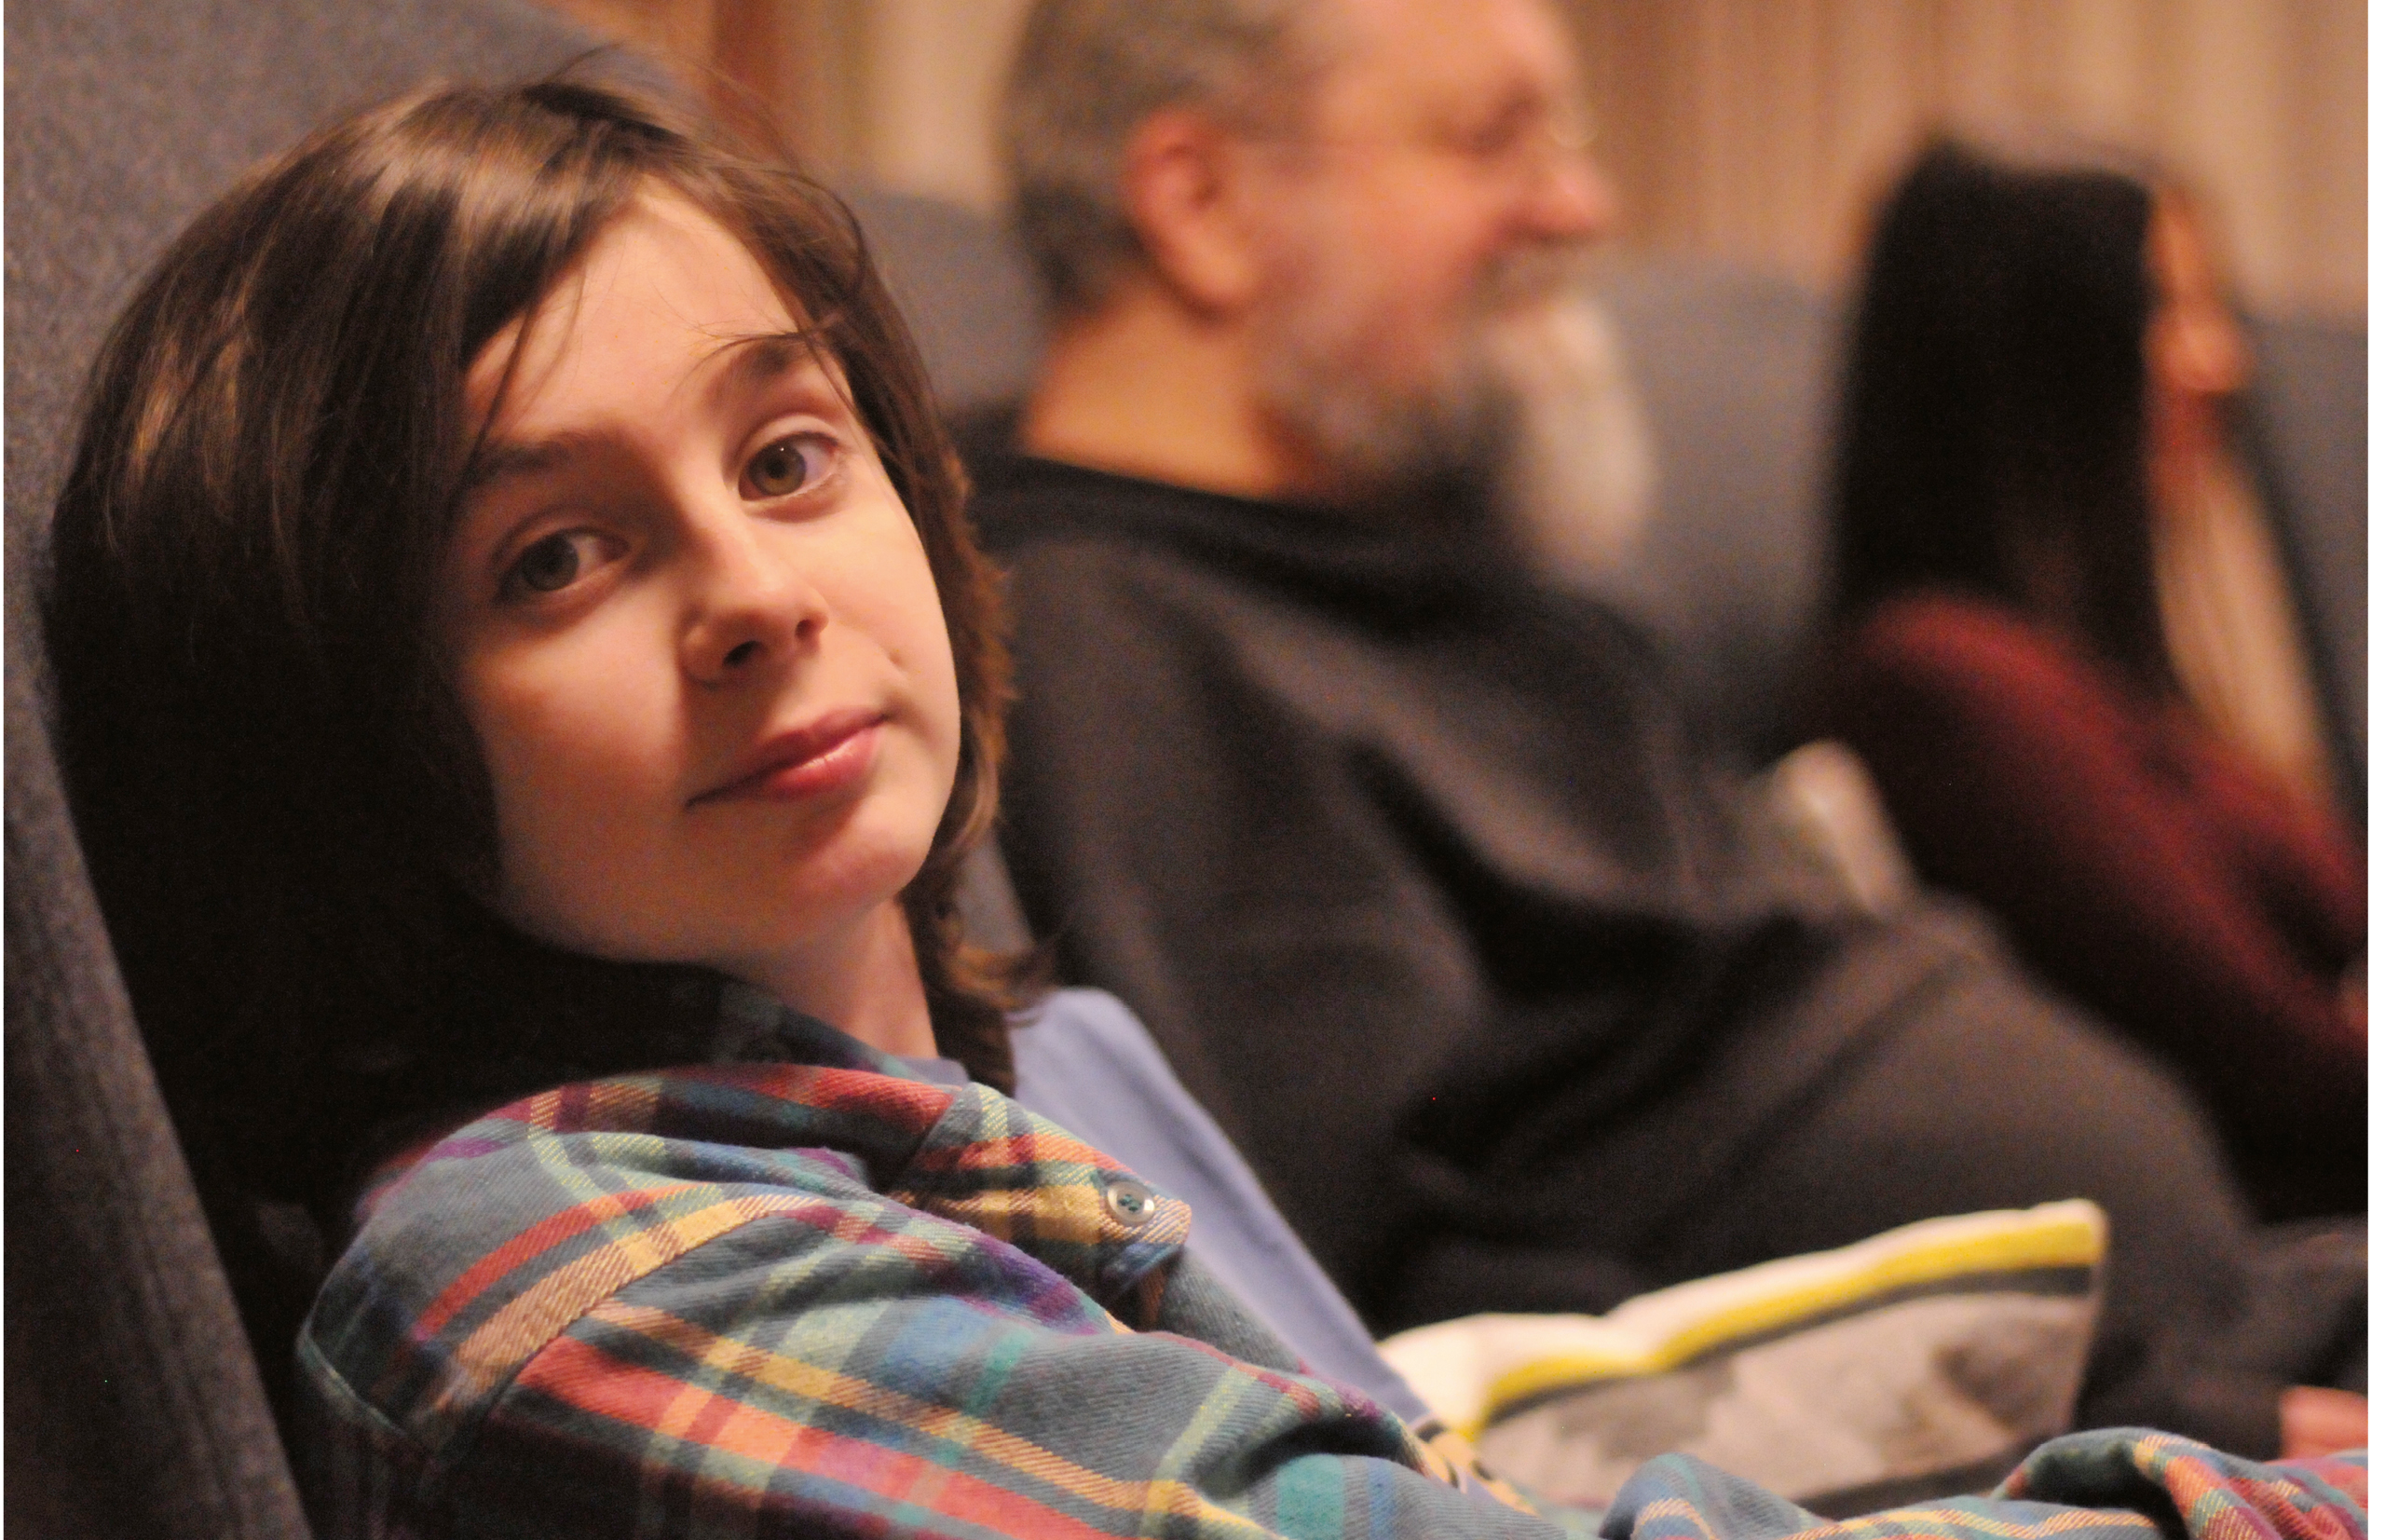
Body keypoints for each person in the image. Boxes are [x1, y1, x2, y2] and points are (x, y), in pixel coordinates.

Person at [36, 72, 2370, 1540]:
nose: (748, 590)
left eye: (787, 455)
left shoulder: (1040, 1076)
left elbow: (1389, 1450)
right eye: (552, 558)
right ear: (343, 735)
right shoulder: (562, 1280)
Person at [971, 0, 2365, 1455]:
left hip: (2191, 1328)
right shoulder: (1108, 650)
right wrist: (2161, 1420)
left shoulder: (1458, 574)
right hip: (2005, 1448)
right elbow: (1383, 1308)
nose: (1582, 206)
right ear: (1201, 204)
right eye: (1498, 142)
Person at [1819, 139, 2365, 1220]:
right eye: (2163, 312)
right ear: (2019, 353)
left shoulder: (2097, 674)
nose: (2220, 362)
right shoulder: (1943, 680)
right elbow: (2276, 1056)